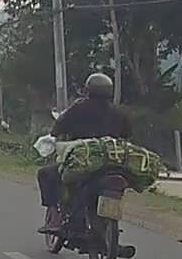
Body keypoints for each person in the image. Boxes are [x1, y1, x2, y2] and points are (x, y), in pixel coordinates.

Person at [38, 72, 132, 233]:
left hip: (83, 161)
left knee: (45, 174)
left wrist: (56, 136)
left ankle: (55, 218)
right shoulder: (119, 113)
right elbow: (127, 134)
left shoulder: (78, 108)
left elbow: (57, 128)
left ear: (88, 89)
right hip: (112, 165)